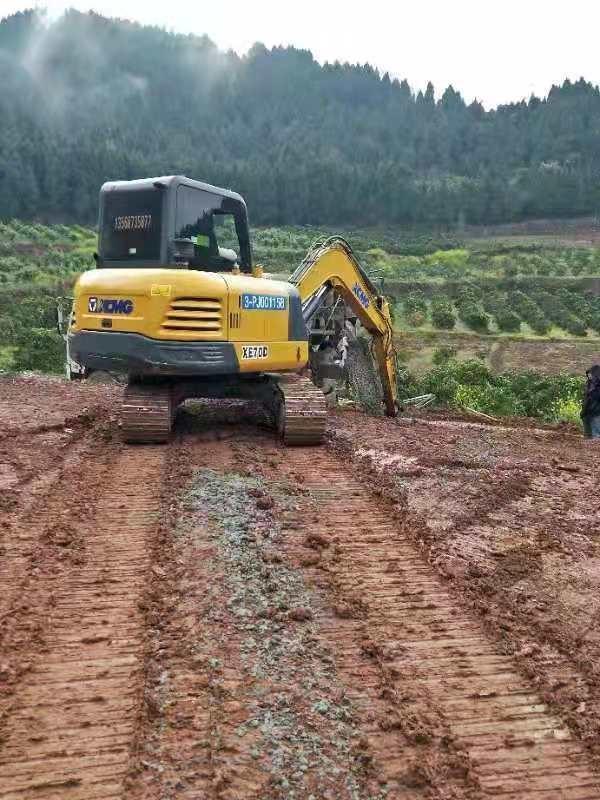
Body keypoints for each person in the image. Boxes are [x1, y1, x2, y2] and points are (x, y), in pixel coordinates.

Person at [581, 364, 600, 438]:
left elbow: (595, 398)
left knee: (596, 437)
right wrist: (583, 412)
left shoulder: (597, 386)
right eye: (588, 374)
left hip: (596, 414)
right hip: (586, 414)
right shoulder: (589, 384)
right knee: (587, 437)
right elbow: (586, 399)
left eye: (591, 374)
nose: (589, 376)